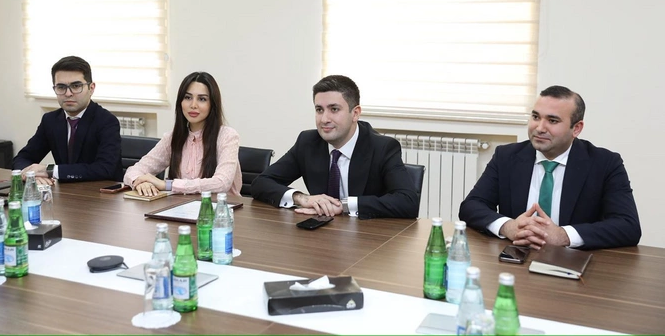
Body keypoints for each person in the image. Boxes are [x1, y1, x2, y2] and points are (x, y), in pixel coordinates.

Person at [459, 85, 641, 250]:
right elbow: (471, 206)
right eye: (535, 117)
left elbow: (628, 226)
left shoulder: (605, 163)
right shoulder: (507, 156)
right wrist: (509, 227)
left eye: (552, 121)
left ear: (576, 128)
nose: (539, 128)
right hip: (517, 256)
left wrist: (563, 236)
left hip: (573, 262)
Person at [251, 75, 418, 219]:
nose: (324, 119)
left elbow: (408, 202)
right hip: (321, 233)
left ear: (355, 113)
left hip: (370, 236)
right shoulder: (308, 142)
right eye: (319, 110)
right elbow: (261, 183)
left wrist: (344, 206)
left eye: (334, 109)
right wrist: (302, 198)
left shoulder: (382, 147)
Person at [124, 72, 242, 196]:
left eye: (202, 99)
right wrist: (140, 182)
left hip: (222, 207)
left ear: (212, 104)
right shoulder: (172, 138)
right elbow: (134, 170)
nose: (193, 105)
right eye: (188, 97)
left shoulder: (227, 136)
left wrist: (168, 185)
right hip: (181, 206)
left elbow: (222, 183)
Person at [13, 56, 123, 184]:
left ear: (91, 88)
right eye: (61, 87)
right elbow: (22, 158)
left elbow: (105, 169)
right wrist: (32, 175)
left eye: (76, 86)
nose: (68, 93)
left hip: (100, 193)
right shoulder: (50, 120)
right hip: (64, 191)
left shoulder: (106, 121)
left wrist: (50, 171)